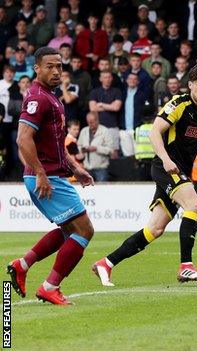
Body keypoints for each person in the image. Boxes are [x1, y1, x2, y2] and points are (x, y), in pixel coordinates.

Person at [92, 64, 197, 286]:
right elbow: (154, 132)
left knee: (155, 229)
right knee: (194, 205)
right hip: (164, 167)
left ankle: (107, 263)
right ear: (190, 85)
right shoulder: (178, 104)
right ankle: (186, 266)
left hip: (179, 171)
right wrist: (167, 160)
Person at [6, 47, 95, 305]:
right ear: (37, 68)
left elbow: (56, 143)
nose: (56, 71)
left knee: (69, 230)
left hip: (54, 173)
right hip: (46, 177)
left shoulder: (52, 97)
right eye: (50, 66)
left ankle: (22, 265)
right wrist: (41, 174)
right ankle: (49, 286)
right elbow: (23, 140)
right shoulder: (37, 98)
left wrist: (75, 168)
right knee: (84, 230)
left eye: (59, 66)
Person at [77, 112, 114, 182]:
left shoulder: (105, 131)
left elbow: (111, 150)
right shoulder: (84, 131)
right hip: (86, 168)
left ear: (97, 120)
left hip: (101, 168)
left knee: (102, 191)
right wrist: (82, 149)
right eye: (88, 122)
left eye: (92, 122)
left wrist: (96, 148)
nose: (90, 124)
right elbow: (79, 145)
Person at [134, 114, 155, 181]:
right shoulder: (156, 128)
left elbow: (135, 142)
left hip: (142, 161)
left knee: (142, 184)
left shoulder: (138, 129)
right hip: (154, 161)